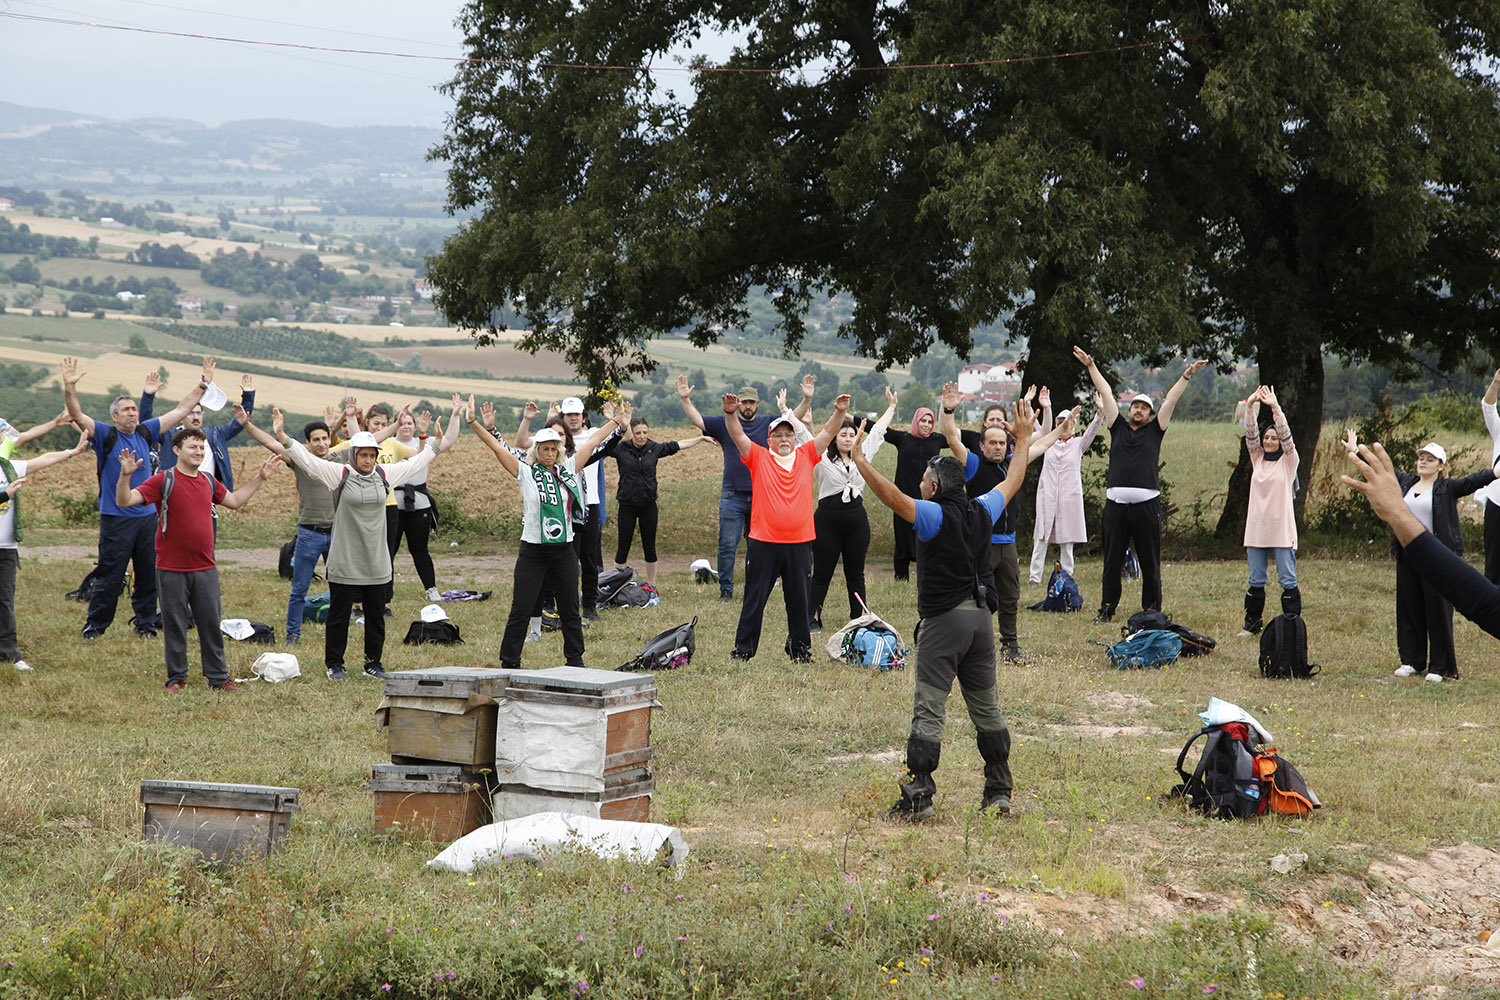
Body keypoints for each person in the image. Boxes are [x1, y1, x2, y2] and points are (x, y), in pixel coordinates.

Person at [854, 396, 1035, 821]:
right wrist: (1023, 438)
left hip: (945, 623)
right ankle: (999, 790)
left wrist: (861, 461)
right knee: (986, 707)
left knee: (930, 708)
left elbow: (893, 497)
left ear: (934, 487)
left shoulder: (933, 515)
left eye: (923, 480)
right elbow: (1013, 479)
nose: (920, 485)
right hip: (981, 623)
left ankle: (919, 795)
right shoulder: (983, 509)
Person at [274, 401, 461, 679]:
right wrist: (283, 437)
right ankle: (334, 664)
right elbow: (308, 460)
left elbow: (417, 461)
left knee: (376, 615)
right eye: (362, 454)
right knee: (339, 616)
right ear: (353, 455)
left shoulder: (385, 475)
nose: (367, 460)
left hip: (376, 558)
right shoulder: (339, 474)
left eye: (371, 454)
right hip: (345, 558)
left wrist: (433, 443)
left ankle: (373, 663)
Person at [61, 355, 213, 639]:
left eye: (134, 408)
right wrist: (69, 387)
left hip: (148, 518)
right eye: (126, 410)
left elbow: (181, 410)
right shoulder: (105, 434)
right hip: (116, 519)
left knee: (147, 576)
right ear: (115, 417)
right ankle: (95, 626)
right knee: (110, 575)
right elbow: (77, 415)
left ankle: (145, 625)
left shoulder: (146, 431)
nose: (132, 413)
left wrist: (203, 385)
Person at [115, 432, 280, 692]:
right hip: (171, 568)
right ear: (177, 450)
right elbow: (124, 501)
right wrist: (125, 475)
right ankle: (177, 678)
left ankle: (218, 678)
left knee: (211, 625)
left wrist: (260, 477)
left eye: (202, 447)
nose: (199, 451)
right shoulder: (163, 480)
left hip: (205, 567)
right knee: (175, 625)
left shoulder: (208, 481)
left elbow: (235, 501)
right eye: (193, 447)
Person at [467, 396, 624, 668]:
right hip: (533, 551)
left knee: (569, 609)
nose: (550, 453)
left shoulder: (569, 469)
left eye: (554, 448)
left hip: (563, 549)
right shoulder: (525, 472)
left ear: (560, 450)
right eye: (545, 449)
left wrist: (615, 421)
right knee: (521, 608)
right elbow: (495, 446)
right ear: (537, 450)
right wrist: (472, 422)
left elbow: (593, 442)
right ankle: (510, 662)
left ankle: (575, 661)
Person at [1345, 428, 1494, 683]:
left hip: (1438, 558)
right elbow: (1380, 470)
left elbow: (1472, 481)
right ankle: (1412, 661)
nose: (1423, 461)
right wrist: (1355, 448)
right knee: (1409, 607)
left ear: (1441, 466)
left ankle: (1440, 666)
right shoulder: (1405, 482)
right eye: (1421, 457)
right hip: (1408, 555)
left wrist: (1494, 472)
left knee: (1437, 610)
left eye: (1430, 459)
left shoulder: (1446, 487)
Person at [1074, 346, 1209, 622]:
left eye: (1144, 408)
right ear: (1130, 409)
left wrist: (1186, 375)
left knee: (1150, 562)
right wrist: (1091, 366)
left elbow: (1170, 401)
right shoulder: (1117, 426)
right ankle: (1107, 609)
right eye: (1135, 406)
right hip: (1116, 506)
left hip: (1147, 507)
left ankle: (1151, 610)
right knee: (1111, 562)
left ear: (1149, 414)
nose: (1138, 410)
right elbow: (1107, 393)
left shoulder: (1155, 431)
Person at [939, 383, 1068, 664]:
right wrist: (948, 409)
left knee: (1010, 599)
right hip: (980, 544)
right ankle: (967, 645)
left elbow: (1042, 443)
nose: (998, 447)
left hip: (1007, 546)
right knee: (973, 598)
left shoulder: (1014, 462)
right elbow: (951, 437)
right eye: (992, 443)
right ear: (983, 446)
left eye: (1002, 443)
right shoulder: (972, 464)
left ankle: (1010, 647)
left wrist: (1062, 428)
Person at [723, 390, 848, 663]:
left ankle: (799, 649)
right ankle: (743, 650)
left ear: (795, 438)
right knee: (754, 599)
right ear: (769, 440)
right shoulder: (759, 457)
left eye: (788, 435)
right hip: (763, 542)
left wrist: (839, 412)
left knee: (799, 601)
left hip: (800, 543)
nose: (783, 439)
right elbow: (737, 436)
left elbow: (828, 433)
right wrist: (731, 414)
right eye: (777, 435)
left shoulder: (806, 455)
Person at [233, 409, 335, 646]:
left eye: (324, 438)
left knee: (340, 587)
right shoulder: (299, 460)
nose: (321, 443)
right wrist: (247, 425)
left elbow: (372, 441)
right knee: (299, 588)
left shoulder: (338, 460)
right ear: (307, 444)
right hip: (309, 534)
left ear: (330, 439)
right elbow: (270, 442)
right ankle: (293, 634)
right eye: (316, 439)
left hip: (337, 533)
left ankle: (336, 628)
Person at [517, 396, 623, 621]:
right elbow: (520, 443)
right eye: (568, 415)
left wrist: (618, 420)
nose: (573, 419)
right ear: (562, 419)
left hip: (588, 506)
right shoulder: (550, 450)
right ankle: (553, 605)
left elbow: (604, 441)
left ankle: (590, 606)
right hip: (560, 512)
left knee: (590, 559)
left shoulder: (586, 443)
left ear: (583, 417)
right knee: (563, 560)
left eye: (577, 414)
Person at [0, 428, 92, 671]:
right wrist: (4, 494)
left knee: (4, 601)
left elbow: (43, 460)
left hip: (6, 547)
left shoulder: (9, 467)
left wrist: (73, 451)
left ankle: (9, 652)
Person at [677, 377, 776, 601]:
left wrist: (807, 399)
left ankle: (755, 588)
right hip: (732, 495)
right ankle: (726, 589)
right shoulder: (724, 423)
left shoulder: (769, 424)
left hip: (761, 495)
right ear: (739, 404)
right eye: (745, 402)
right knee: (727, 545)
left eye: (752, 402)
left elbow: (794, 419)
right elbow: (698, 420)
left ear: (758, 404)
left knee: (758, 547)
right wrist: (685, 399)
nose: (748, 406)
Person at [808, 387, 898, 631]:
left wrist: (891, 406)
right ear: (835, 438)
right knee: (822, 572)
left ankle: (859, 618)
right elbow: (803, 437)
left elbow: (878, 431)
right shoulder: (822, 458)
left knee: (856, 573)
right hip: (827, 519)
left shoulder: (863, 454)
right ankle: (812, 617)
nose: (848, 438)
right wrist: (803, 406)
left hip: (856, 520)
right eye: (843, 435)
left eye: (851, 435)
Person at [608, 403, 709, 588]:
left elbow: (678, 445)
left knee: (650, 547)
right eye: (638, 433)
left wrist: (700, 439)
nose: (642, 436)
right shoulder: (621, 449)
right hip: (627, 505)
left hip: (648, 505)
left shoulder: (654, 448)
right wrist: (613, 419)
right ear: (632, 433)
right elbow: (603, 443)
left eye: (645, 432)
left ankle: (652, 585)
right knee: (623, 548)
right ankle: (616, 585)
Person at [1238, 386, 1301, 635]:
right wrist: (1251, 407)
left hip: (1281, 530)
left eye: (1273, 438)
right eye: (1267, 438)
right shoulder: (1257, 459)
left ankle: (1292, 623)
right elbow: (1250, 434)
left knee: (1287, 579)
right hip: (1256, 530)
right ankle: (1252, 624)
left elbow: (1287, 438)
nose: (1269, 441)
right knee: (1256, 581)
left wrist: (1275, 408)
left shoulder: (1289, 461)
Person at [1029, 393, 1104, 583]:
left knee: (1067, 539)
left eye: (1068, 422)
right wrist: (1030, 403)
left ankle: (1066, 576)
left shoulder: (1078, 444)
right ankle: (1034, 577)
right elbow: (1036, 426)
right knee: (1041, 536)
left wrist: (1100, 412)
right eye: (1060, 422)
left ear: (1073, 426)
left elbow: (1092, 431)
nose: (1064, 425)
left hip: (1069, 496)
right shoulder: (1048, 442)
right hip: (1047, 494)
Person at [140, 373, 256, 497]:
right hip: (175, 495)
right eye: (190, 413)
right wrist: (148, 396)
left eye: (199, 413)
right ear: (181, 416)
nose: (195, 417)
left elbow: (240, 421)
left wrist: (248, 396)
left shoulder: (215, 435)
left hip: (206, 498)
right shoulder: (169, 435)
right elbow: (147, 427)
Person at [879, 402, 949, 580]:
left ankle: (927, 577)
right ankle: (900, 578)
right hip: (903, 497)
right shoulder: (903, 439)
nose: (925, 425)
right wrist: (848, 417)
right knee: (902, 539)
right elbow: (877, 429)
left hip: (929, 499)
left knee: (928, 538)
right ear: (916, 422)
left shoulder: (938, 440)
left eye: (929, 421)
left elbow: (957, 436)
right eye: (922, 421)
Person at [384, 407, 443, 603]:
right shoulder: (388, 444)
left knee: (420, 549)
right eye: (403, 423)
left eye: (410, 423)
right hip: (393, 504)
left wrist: (458, 414)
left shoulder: (420, 443)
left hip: (419, 504)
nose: (407, 426)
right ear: (395, 426)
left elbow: (428, 452)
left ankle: (431, 589)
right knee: (388, 550)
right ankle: (385, 594)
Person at [1481, 368, 1500, 584]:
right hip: (1497, 503)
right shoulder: (1499, 430)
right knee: (1493, 566)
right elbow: (1488, 407)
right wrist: (1495, 383)